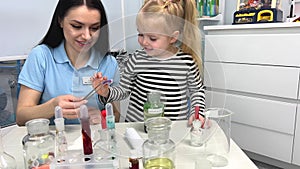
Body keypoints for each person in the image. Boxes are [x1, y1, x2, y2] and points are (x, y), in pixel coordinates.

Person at [92, 0, 205, 125]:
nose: (144, 42)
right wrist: (106, 92)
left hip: (172, 130)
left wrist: (197, 114)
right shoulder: (136, 59)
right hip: (138, 129)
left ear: (173, 37)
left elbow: (197, 92)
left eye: (152, 38)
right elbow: (123, 91)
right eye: (141, 34)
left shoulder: (186, 63)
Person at [16, 0, 120, 126]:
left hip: (93, 141)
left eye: (94, 28)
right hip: (52, 142)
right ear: (60, 21)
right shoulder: (41, 56)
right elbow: (21, 117)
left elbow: (115, 114)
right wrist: (53, 107)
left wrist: (103, 119)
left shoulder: (109, 63)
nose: (87, 36)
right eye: (76, 26)